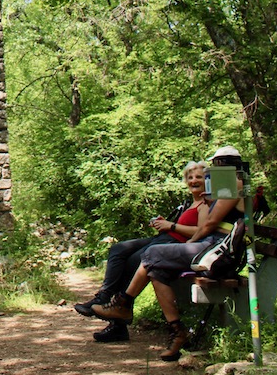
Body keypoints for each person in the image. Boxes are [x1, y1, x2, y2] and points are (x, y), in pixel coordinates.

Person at [93, 146, 249, 361]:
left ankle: (123, 304)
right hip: (215, 245)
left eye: (216, 164)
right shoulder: (229, 184)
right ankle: (177, 332)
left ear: (224, 164)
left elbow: (211, 223)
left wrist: (192, 243)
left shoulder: (234, 183)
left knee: (152, 253)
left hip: (219, 249)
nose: (214, 168)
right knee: (157, 270)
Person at [75, 160, 208, 343]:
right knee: (118, 250)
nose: (194, 180)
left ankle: (118, 325)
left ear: (207, 180)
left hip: (174, 245)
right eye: (190, 177)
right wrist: (164, 224)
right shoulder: (189, 204)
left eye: (199, 177)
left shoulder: (205, 203)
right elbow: (180, 226)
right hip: (164, 238)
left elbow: (202, 231)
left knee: (133, 262)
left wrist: (172, 225)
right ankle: (104, 297)